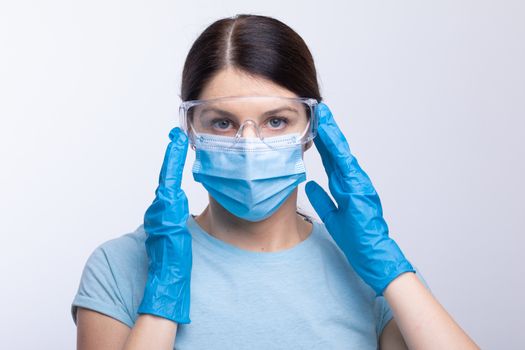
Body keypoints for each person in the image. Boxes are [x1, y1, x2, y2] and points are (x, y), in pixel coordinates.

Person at [71, 14, 479, 349]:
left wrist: (392, 273)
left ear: (311, 131)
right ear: (191, 133)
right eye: (223, 123)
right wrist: (161, 299)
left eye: (277, 121)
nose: (250, 145)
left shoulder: (373, 273)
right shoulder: (119, 266)